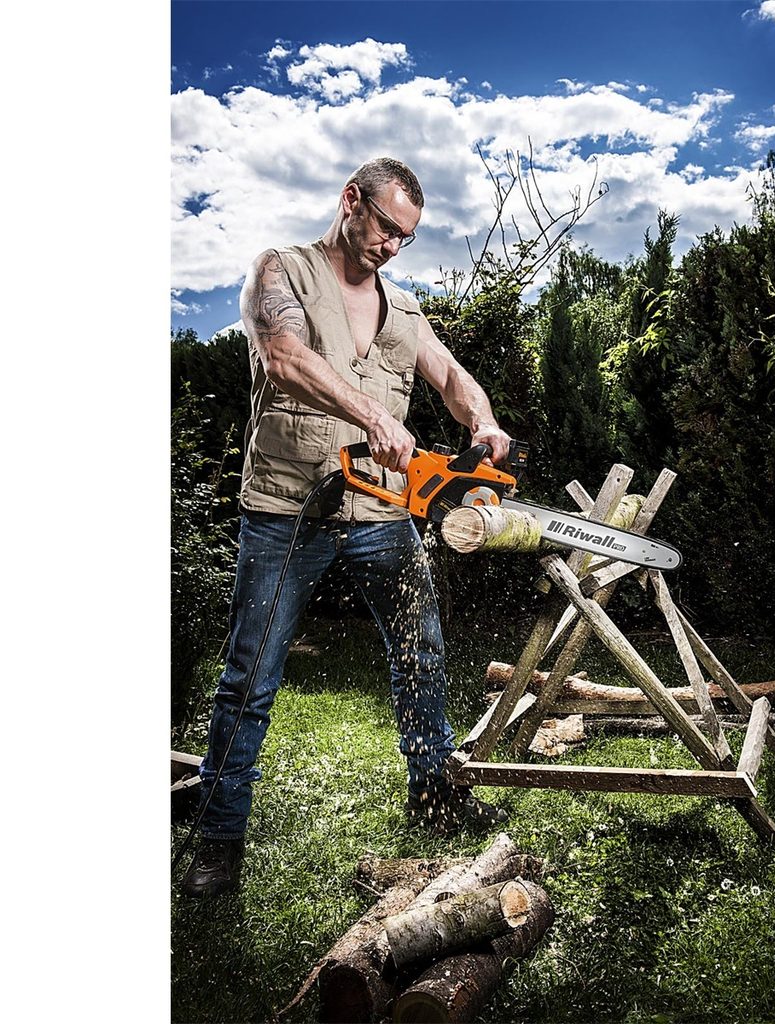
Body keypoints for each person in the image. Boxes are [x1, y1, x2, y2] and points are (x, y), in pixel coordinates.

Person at [181, 157, 512, 898]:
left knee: (421, 652)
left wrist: (483, 421)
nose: (392, 245)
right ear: (350, 201)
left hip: (380, 513)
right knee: (250, 677)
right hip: (286, 509)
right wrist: (373, 416)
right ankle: (220, 838)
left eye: (406, 237)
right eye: (386, 226)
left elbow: (450, 377)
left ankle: (435, 795)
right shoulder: (283, 273)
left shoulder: (404, 309)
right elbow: (284, 357)